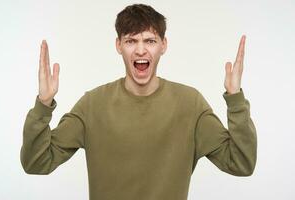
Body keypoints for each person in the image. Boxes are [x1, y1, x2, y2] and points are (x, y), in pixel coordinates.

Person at [20, 3, 257, 200]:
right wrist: (43, 104)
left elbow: (241, 164)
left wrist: (235, 99)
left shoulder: (189, 104)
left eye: (150, 41)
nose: (141, 50)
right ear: (118, 46)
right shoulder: (92, 105)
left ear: (163, 46)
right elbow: (36, 163)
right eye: (131, 41)